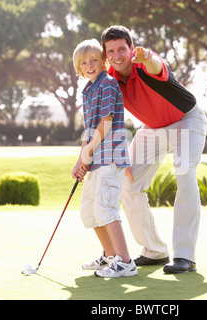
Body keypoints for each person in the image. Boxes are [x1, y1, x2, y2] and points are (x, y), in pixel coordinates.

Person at [101, 26, 207, 274]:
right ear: (107, 55)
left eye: (122, 49)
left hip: (187, 120)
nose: (118, 55)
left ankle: (185, 256)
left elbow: (156, 66)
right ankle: (154, 250)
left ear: (130, 49)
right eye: (112, 51)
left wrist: (147, 56)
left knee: (184, 175)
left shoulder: (144, 63)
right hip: (151, 128)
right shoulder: (110, 80)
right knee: (128, 184)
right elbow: (112, 119)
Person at [71, 38, 137, 278]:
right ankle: (110, 256)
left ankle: (125, 262)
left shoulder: (107, 84)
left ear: (103, 62)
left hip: (111, 157)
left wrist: (88, 151)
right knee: (89, 210)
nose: (90, 65)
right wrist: (81, 159)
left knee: (106, 208)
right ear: (79, 68)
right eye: (84, 63)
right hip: (96, 158)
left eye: (95, 60)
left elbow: (105, 122)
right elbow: (88, 129)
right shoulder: (88, 90)